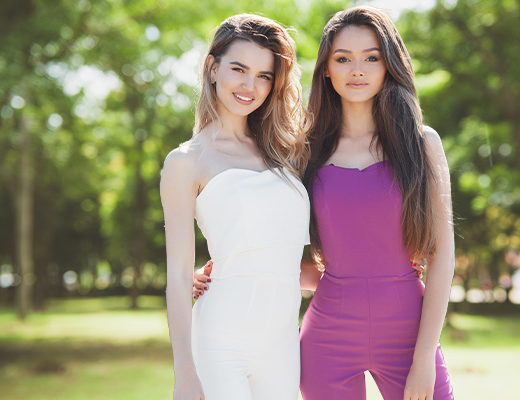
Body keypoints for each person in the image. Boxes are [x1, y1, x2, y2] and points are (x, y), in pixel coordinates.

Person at [194, 6, 455, 400]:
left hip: (409, 329)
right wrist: (219, 271)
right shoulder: (304, 151)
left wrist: (422, 361)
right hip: (327, 336)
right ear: (326, 69)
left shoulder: (421, 144)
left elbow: (443, 258)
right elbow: (269, 239)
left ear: (389, 65)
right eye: (343, 59)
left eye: (372, 57)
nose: (357, 70)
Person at [160, 14, 309, 400]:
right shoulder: (185, 162)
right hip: (220, 342)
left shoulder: (287, 153)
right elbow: (177, 273)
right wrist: (184, 374)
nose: (250, 86)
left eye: (264, 75)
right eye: (238, 69)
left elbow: (294, 255)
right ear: (212, 68)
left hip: (282, 342)